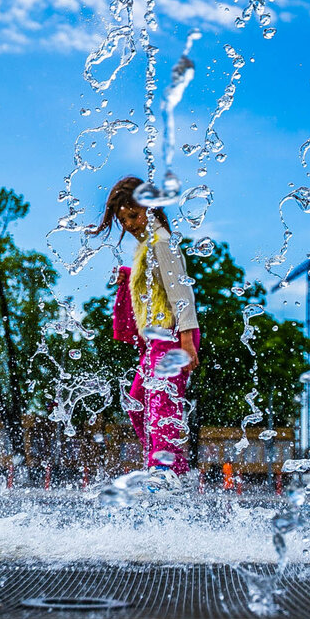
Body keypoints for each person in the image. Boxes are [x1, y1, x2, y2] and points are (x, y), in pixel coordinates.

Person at [93, 176, 200, 488]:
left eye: (134, 215)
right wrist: (127, 277)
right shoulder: (145, 246)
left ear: (150, 209)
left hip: (173, 337)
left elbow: (181, 292)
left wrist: (186, 340)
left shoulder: (161, 241)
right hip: (158, 341)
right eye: (123, 219)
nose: (129, 224)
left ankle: (166, 475)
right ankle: (168, 468)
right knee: (138, 402)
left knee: (161, 408)